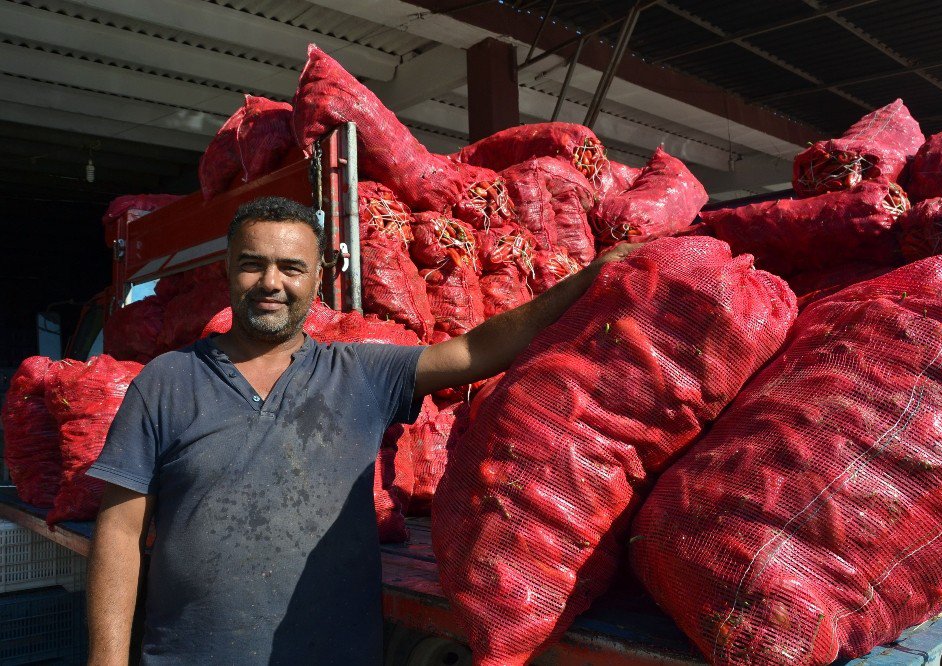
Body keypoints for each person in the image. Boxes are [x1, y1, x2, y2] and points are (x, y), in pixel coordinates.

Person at [85, 195, 636, 665]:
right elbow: (119, 535)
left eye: (291, 267)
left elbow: (474, 349)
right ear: (228, 269)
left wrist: (586, 281)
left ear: (317, 276)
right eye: (253, 264)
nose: (270, 282)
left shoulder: (362, 374)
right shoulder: (167, 382)